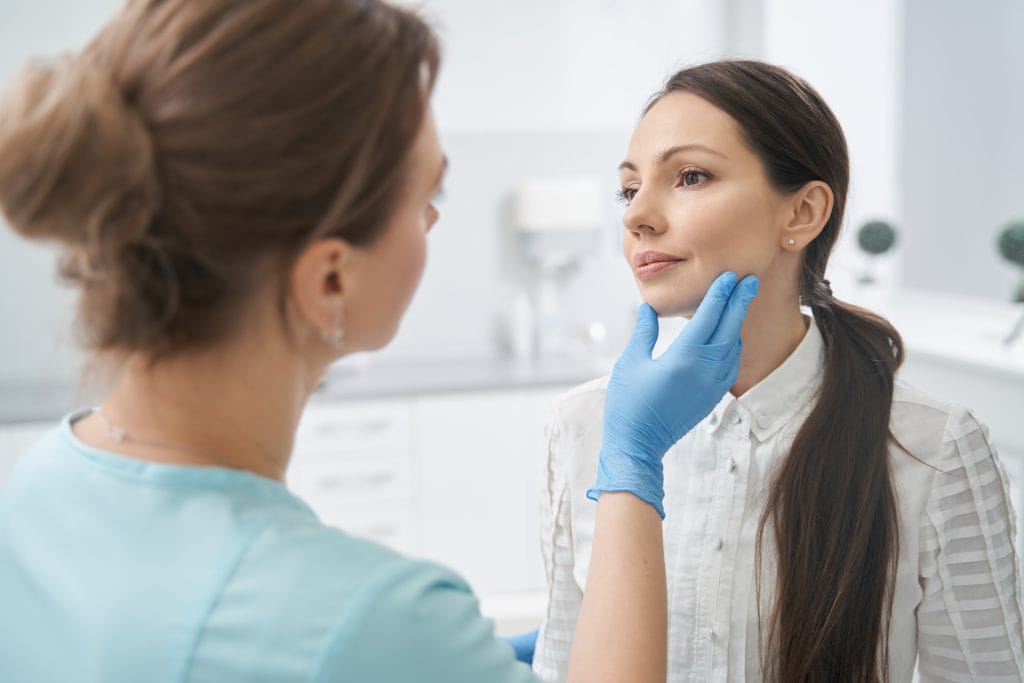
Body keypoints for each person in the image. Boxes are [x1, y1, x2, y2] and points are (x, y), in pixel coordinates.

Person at [0, 2, 759, 681]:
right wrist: (632, 460)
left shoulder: (34, 494)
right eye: (427, 196)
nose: (433, 223)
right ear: (329, 278)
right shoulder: (374, 621)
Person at [533, 59, 1024, 682]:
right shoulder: (581, 428)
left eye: (689, 176)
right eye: (628, 189)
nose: (637, 216)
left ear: (802, 213)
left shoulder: (934, 448)